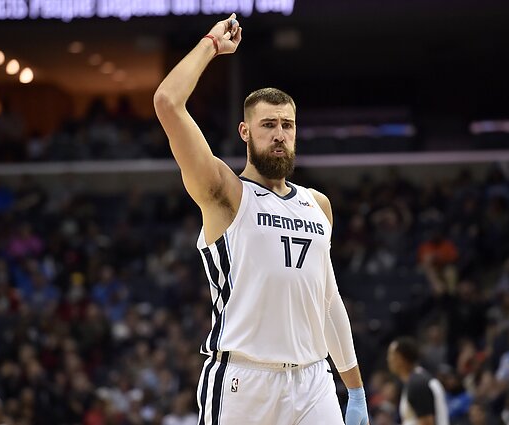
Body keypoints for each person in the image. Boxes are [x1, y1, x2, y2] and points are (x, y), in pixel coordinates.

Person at [153, 13, 369, 425]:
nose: (279, 134)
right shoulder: (226, 193)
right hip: (243, 381)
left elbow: (328, 301)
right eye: (268, 124)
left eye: (288, 125)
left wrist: (355, 389)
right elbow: (167, 102)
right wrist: (211, 45)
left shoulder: (317, 204)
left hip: (313, 381)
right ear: (245, 132)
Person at [387, 337, 449, 425]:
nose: (388, 359)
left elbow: (427, 422)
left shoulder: (417, 384)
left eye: (392, 355)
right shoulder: (418, 379)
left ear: (402, 358)